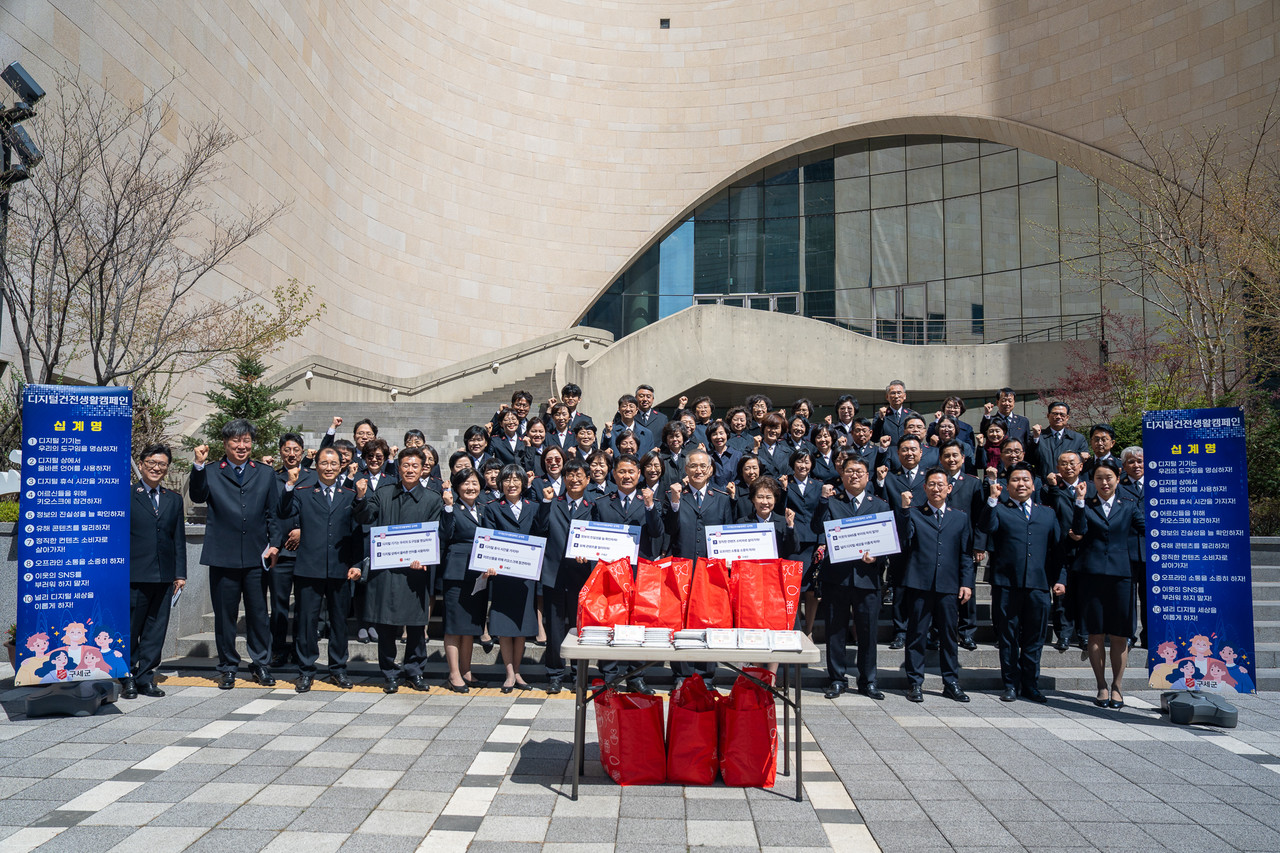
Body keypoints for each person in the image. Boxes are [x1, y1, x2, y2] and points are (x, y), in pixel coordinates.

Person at [189, 420, 281, 690]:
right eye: (236, 442)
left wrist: (275, 544)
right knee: (225, 615)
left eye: (247, 441)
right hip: (222, 556)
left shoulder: (264, 473)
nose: (242, 446)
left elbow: (273, 513)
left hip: (257, 555)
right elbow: (197, 495)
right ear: (225, 443)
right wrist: (197, 465)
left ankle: (261, 664)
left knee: (257, 614)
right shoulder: (211, 471)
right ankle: (228, 666)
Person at [354, 447, 443, 693]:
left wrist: (424, 557)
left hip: (414, 574)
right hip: (386, 572)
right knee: (385, 627)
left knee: (415, 626)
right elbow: (365, 517)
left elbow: (436, 534)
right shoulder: (383, 494)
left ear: (424, 467)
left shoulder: (432, 499)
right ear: (398, 467)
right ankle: (390, 673)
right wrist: (361, 497)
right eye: (405, 465)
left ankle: (414, 671)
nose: (410, 470)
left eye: (415, 465)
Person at [279, 447, 363, 692]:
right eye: (324, 463)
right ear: (316, 465)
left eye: (333, 463)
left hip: (340, 568)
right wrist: (288, 486)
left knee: (338, 622)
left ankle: (338, 669)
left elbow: (358, 531)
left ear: (341, 466)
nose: (329, 467)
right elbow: (284, 512)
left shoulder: (349, 494)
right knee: (306, 622)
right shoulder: (303, 492)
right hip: (308, 568)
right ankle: (306, 670)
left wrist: (357, 564)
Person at [981, 463, 1065, 703]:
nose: (1021, 484)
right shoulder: (999, 509)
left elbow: (1057, 550)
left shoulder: (1047, 513)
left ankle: (1031, 684)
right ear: (1007, 486)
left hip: (1038, 585)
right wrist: (992, 500)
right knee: (1007, 637)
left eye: (1026, 480)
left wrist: (1060, 578)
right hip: (1007, 584)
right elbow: (986, 527)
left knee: (1034, 638)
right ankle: (1010, 684)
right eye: (1016, 480)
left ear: (1033, 484)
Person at [1068, 459, 1145, 709]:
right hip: (1091, 575)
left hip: (1122, 575)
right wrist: (1079, 502)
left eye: (1109, 477)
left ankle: (1117, 686)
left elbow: (1147, 528)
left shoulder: (1129, 505)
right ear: (1093, 481)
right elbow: (1078, 531)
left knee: (1120, 633)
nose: (1104, 482)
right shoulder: (1086, 505)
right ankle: (1101, 685)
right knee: (1095, 632)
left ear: (1117, 477)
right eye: (1099, 478)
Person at [897, 469, 975, 703]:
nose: (936, 488)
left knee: (949, 636)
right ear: (925, 488)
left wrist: (967, 583)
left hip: (949, 586)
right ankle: (914, 683)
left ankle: (950, 682)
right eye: (931, 484)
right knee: (916, 635)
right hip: (920, 584)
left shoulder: (959, 517)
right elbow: (903, 538)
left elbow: (966, 554)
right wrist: (903, 510)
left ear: (949, 488)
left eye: (941, 484)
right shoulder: (914, 514)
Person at [814, 456, 890, 699]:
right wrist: (823, 501)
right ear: (842, 475)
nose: (854, 475)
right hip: (837, 577)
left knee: (867, 632)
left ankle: (868, 681)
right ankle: (837, 679)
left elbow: (887, 542)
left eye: (859, 472)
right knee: (835, 630)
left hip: (867, 579)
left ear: (868, 477)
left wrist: (876, 558)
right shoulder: (832, 502)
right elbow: (817, 526)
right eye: (849, 471)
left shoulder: (879, 505)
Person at [664, 451, 735, 686]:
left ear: (711, 470)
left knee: (708, 620)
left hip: (711, 571)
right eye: (693, 466)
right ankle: (682, 674)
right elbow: (669, 531)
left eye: (703, 467)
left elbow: (727, 536)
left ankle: (706, 674)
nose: (698, 470)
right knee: (682, 622)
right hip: (682, 568)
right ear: (686, 470)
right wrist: (674, 504)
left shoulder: (722, 499)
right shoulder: (675, 496)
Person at [125, 444, 187, 699]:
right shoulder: (126, 496)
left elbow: (178, 539)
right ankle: (126, 675)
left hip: (164, 575)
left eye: (161, 464)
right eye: (151, 462)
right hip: (134, 574)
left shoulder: (174, 499)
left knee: (155, 629)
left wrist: (180, 574)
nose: (156, 468)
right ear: (141, 465)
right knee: (130, 628)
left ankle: (146, 677)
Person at [537, 458, 599, 694]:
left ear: (588, 479)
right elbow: (540, 528)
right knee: (554, 628)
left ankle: (577, 674)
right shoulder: (553, 502)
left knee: (578, 628)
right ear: (564, 479)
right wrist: (545, 502)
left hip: (582, 576)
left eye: (579, 476)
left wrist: (590, 558)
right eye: (570, 476)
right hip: (554, 574)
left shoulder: (594, 505)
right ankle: (554, 674)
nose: (574, 480)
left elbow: (600, 541)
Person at [487, 463, 542, 692]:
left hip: (525, 576)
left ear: (524, 483)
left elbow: (540, 534)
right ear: (501, 484)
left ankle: (517, 671)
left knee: (521, 628)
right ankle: (509, 674)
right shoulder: (492, 508)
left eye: (516, 479)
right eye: (507, 480)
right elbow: (488, 538)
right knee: (504, 626)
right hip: (502, 575)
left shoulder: (535, 507)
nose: (511, 484)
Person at [440, 467, 490, 691]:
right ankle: (453, 674)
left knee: (471, 624)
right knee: (454, 625)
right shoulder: (451, 508)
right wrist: (449, 507)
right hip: (457, 573)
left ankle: (466, 670)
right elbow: (445, 535)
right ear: (457, 486)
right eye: (466, 484)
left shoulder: (483, 508)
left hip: (478, 573)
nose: (471, 487)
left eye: (474, 483)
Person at [875, 435, 927, 649]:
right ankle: (900, 631)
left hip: (925, 540)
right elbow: (881, 502)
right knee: (900, 587)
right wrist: (879, 482)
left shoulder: (928, 476)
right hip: (898, 539)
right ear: (898, 454)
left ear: (921, 452)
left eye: (913, 449)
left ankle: (924, 631)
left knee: (924, 590)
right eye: (904, 450)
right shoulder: (891, 478)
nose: (909, 453)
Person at [269, 432, 314, 667]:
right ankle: (277, 649)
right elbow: (271, 513)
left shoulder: (313, 477)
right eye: (287, 449)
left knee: (305, 606)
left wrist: (302, 530)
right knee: (279, 605)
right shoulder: (272, 478)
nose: (291, 454)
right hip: (282, 552)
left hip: (306, 552)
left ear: (302, 451)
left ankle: (300, 649)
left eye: (296, 449)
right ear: (281, 452)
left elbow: (318, 512)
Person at [784, 450, 823, 636]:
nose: (803, 466)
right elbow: (778, 508)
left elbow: (823, 514)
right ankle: (795, 628)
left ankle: (809, 630)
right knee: (795, 587)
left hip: (813, 542)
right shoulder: (784, 483)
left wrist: (822, 541)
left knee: (811, 589)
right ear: (793, 464)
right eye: (799, 462)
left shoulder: (818, 485)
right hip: (793, 541)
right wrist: (783, 490)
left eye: (807, 462)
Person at [1118, 445, 1148, 647]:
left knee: (1149, 597)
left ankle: (1149, 636)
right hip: (1126, 550)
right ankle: (1128, 635)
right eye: (1131, 461)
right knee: (1127, 598)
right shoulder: (1118, 486)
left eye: (1139, 461)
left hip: (1151, 552)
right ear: (1123, 466)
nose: (1136, 465)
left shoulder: (1158, 485)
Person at [1033, 401, 1089, 478]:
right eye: (1055, 414)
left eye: (1062, 414)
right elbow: (1030, 458)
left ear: (1067, 418)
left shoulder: (1078, 439)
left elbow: (1083, 468)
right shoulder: (1038, 436)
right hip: (1043, 484)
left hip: (1068, 486)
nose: (1059, 417)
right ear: (1048, 416)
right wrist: (1036, 438)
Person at [873, 380, 917, 446]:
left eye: (899, 393)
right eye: (893, 393)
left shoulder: (911, 415)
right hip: (889, 454)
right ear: (887, 397)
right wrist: (881, 419)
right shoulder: (880, 415)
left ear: (904, 396)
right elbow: (874, 438)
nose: (896, 396)